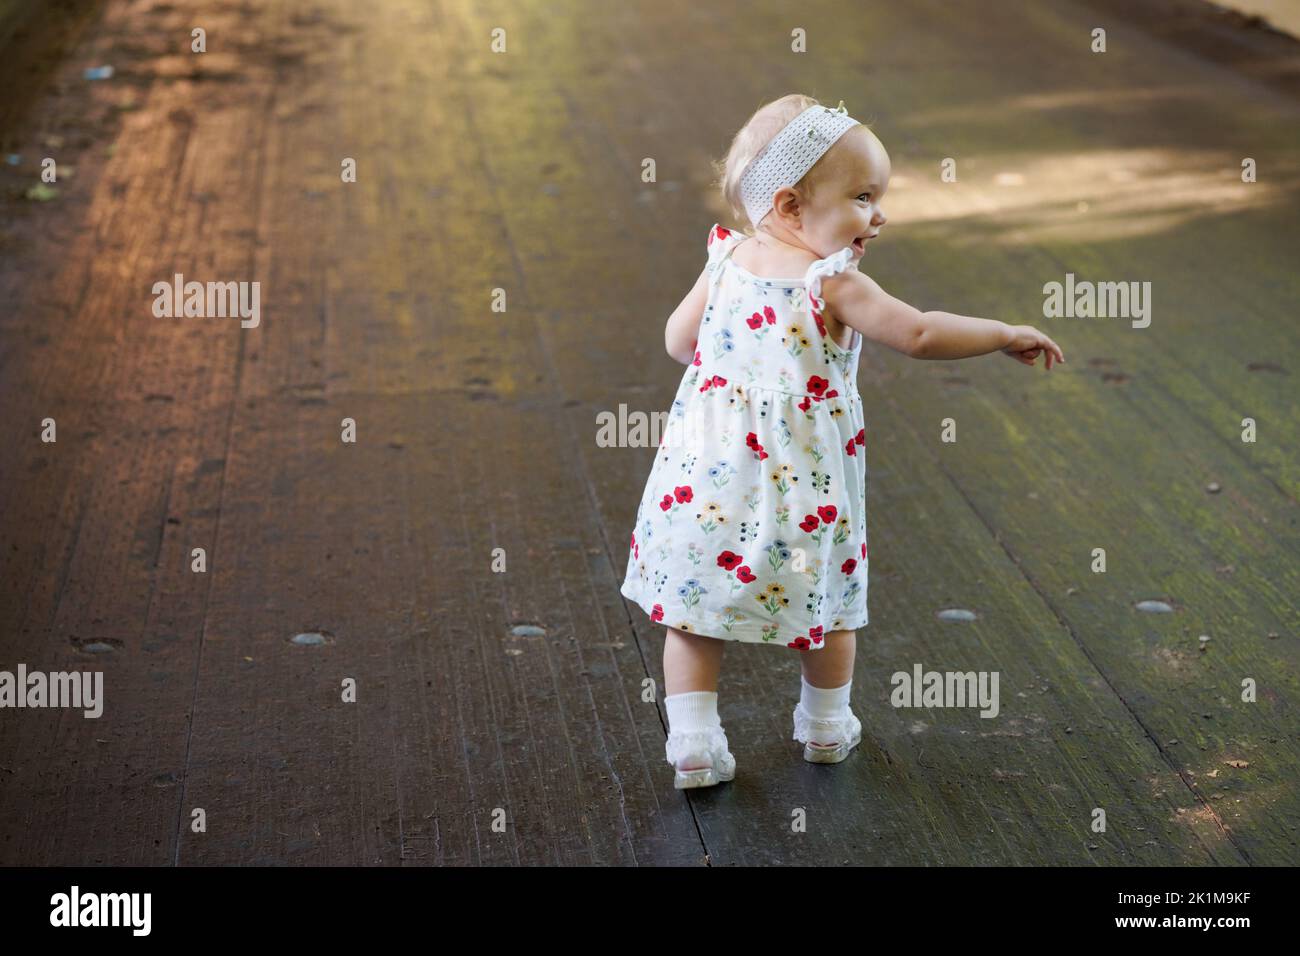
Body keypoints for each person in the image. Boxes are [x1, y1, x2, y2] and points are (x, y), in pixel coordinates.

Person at [619, 94, 1064, 789]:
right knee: (826, 605)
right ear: (793, 205)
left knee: (693, 614)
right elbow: (918, 332)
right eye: (862, 196)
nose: (878, 214)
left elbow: (680, 343)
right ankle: (825, 727)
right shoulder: (833, 283)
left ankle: (695, 744)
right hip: (804, 486)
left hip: (704, 477)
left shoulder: (726, 259)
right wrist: (1004, 333)